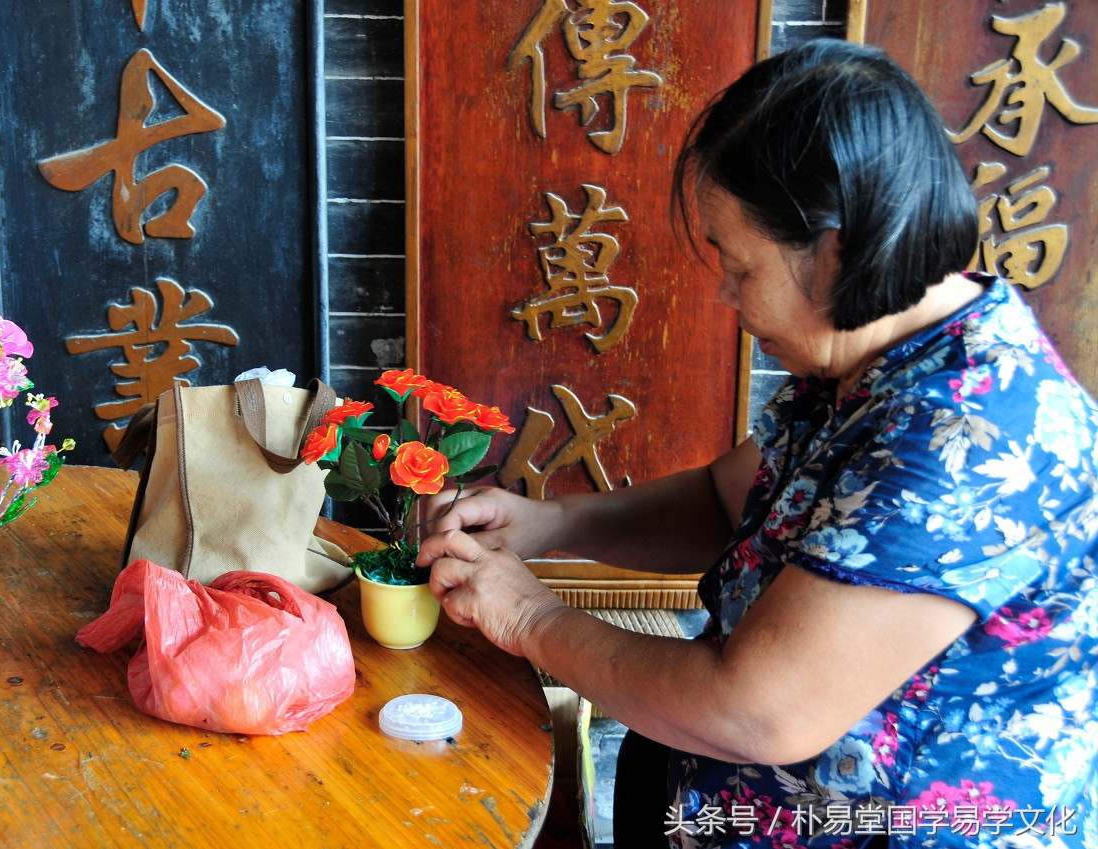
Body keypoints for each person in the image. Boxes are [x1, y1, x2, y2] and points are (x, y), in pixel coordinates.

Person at [416, 38, 1097, 848]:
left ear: (835, 251)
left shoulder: (970, 437)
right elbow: (725, 498)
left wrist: (529, 616)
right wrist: (549, 524)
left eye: (739, 267)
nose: (726, 294)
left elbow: (758, 712)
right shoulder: (871, 351)